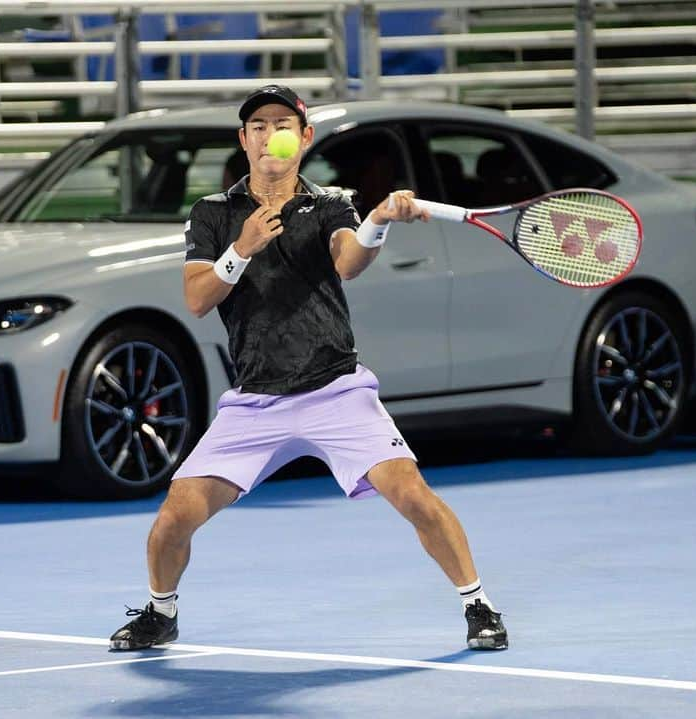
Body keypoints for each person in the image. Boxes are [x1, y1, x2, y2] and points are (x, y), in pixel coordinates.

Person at [108, 84, 508, 653]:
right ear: (245, 140)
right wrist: (241, 248)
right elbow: (198, 298)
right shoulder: (214, 215)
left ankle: (479, 605)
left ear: (305, 138)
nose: (272, 132)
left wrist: (380, 220)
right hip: (254, 402)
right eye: (259, 124)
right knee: (174, 516)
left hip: (336, 392)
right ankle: (160, 612)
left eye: (284, 122)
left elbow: (349, 261)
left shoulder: (330, 205)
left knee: (413, 495)